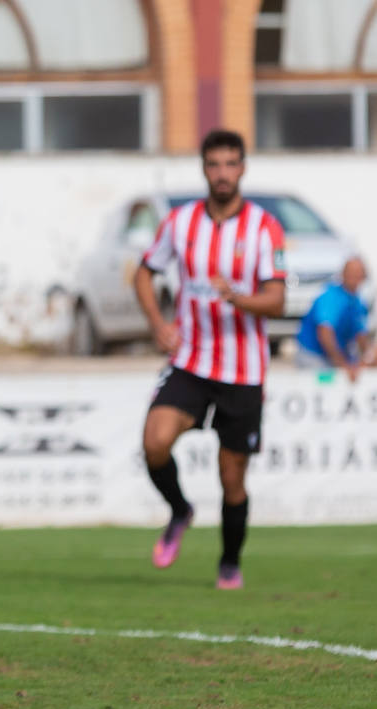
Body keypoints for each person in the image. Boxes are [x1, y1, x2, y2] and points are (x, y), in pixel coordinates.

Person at [133, 128, 286, 591]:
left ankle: (229, 563)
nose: (222, 173)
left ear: (243, 168)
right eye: (214, 164)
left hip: (244, 370)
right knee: (155, 441)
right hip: (192, 361)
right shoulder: (179, 223)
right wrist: (158, 323)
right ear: (204, 169)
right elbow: (144, 273)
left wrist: (238, 298)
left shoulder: (264, 227)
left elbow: (277, 301)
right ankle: (180, 510)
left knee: (231, 477)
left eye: (230, 164)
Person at [295, 257, 371, 381]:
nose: (354, 278)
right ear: (342, 275)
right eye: (351, 274)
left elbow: (361, 337)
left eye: (358, 274)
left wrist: (367, 360)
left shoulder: (358, 303)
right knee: (328, 382)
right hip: (314, 354)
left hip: (337, 355)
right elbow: (325, 334)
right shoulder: (331, 297)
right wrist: (343, 366)